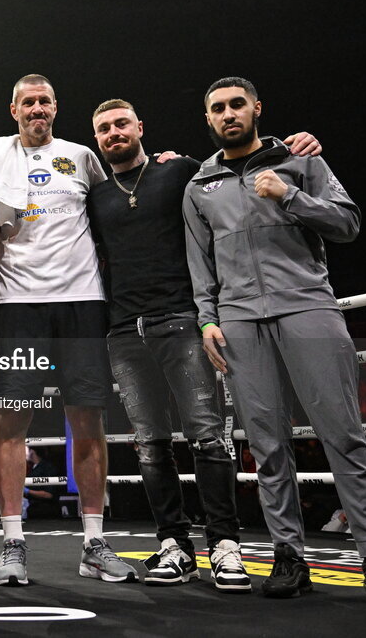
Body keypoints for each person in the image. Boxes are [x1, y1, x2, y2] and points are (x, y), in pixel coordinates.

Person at [182, 76, 366, 604]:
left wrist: (289, 195)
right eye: (217, 109)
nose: (228, 114)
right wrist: (206, 318)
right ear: (209, 120)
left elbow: (348, 223)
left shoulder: (302, 163)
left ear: (256, 108)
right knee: (265, 446)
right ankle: (288, 557)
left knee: (343, 435)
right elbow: (201, 262)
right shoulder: (200, 185)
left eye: (237, 104)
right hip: (238, 320)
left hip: (307, 305)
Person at [88, 98, 321, 592]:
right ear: (97, 139)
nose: (113, 133)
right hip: (125, 329)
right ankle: (174, 544)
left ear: (140, 126)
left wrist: (294, 146)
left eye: (121, 124)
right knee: (149, 445)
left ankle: (224, 544)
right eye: (104, 128)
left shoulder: (182, 173)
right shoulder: (96, 195)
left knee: (207, 436)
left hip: (182, 318)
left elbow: (235, 167)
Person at [0, 74, 136, 585]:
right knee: (11, 421)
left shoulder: (82, 155)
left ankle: (93, 542)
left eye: (44, 101)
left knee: (87, 418)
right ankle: (13, 542)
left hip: (83, 303)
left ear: (55, 108)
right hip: (20, 305)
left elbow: (115, 207)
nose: (37, 108)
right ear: (14, 109)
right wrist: (9, 265)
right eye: (28, 102)